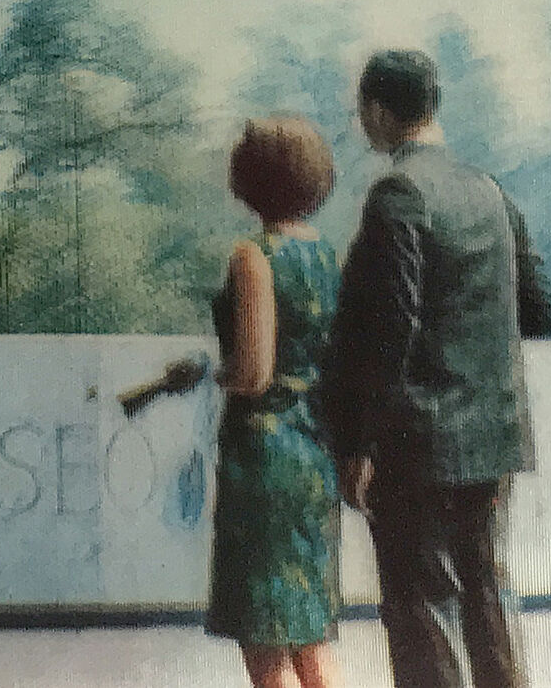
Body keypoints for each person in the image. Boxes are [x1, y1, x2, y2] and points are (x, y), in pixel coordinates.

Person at [320, 50, 551, 688]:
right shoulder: (490, 190)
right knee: (485, 595)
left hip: (417, 445)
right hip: (494, 439)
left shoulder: (398, 194)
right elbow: (539, 311)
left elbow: (386, 331)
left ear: (376, 111)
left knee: (420, 606)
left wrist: (359, 443)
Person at [208, 115, 346, 688]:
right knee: (308, 629)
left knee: (263, 632)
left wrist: (213, 376)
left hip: (264, 453)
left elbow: (254, 373)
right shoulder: (329, 256)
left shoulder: (253, 255)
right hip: (316, 449)